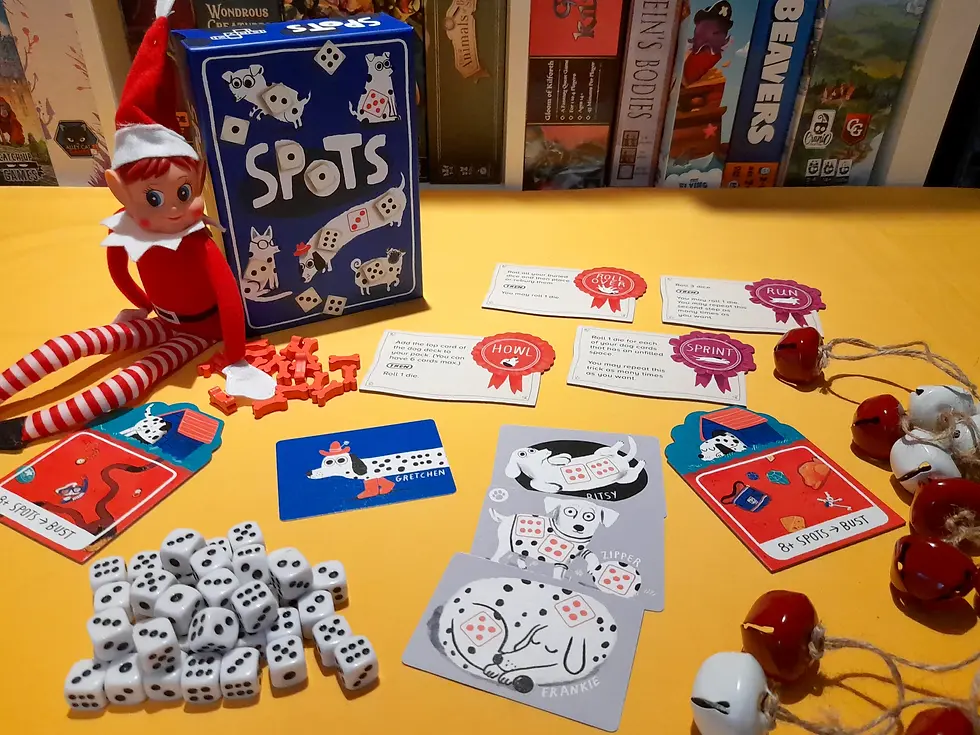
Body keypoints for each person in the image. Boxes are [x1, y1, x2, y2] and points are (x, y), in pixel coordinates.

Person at [0, 0, 272, 451]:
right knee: (75, 343)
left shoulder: (198, 241)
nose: (173, 208)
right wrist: (141, 305)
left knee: (132, 379)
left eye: (183, 192)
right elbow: (118, 269)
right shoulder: (126, 229)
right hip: (160, 319)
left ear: (198, 177)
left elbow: (227, 296)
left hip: (199, 332)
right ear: (118, 189)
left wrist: (236, 357)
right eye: (153, 198)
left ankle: (22, 431)